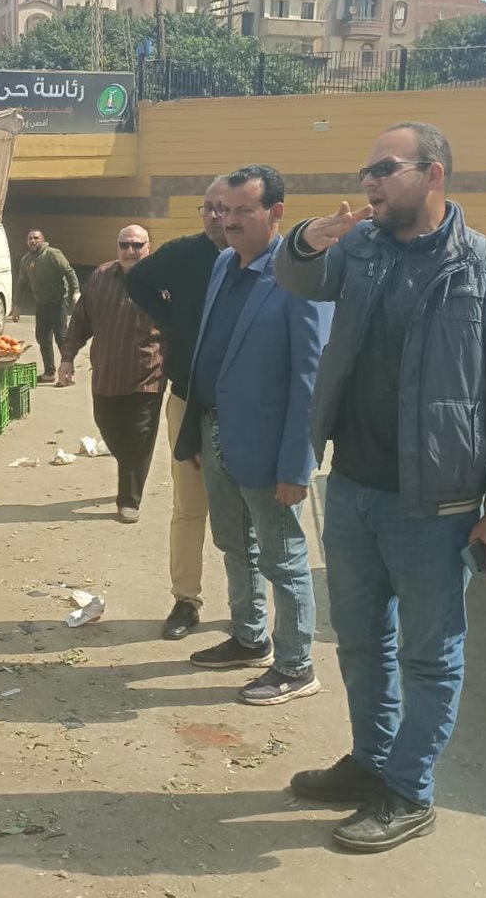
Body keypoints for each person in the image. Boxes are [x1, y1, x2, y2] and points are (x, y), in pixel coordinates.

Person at [274, 121, 486, 852]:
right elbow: (294, 278)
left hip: (439, 506)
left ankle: (409, 790)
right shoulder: (358, 251)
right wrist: (307, 240)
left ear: (433, 174)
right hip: (353, 490)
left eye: (384, 168)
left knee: (429, 655)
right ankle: (371, 761)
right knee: (361, 642)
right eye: (366, 170)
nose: (368, 181)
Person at [175, 165, 332, 706]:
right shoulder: (224, 263)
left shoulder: (301, 277)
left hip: (269, 447)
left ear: (276, 213)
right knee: (232, 543)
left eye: (244, 210)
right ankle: (249, 637)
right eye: (223, 210)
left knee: (282, 557)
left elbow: (310, 380)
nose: (229, 220)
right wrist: (200, 431)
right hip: (215, 429)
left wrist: (296, 465)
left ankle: (296, 666)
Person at [125, 177, 229, 640]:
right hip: (187, 399)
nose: (215, 216)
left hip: (245, 408)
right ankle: (186, 600)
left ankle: (249, 611)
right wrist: (174, 320)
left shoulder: (262, 260)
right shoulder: (184, 254)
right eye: (207, 207)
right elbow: (137, 280)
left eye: (223, 207)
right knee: (189, 507)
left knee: (248, 514)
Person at [58, 225, 165, 524]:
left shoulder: (163, 280)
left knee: (138, 439)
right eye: (124, 245)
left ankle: (129, 501)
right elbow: (81, 320)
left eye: (137, 245)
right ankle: (130, 468)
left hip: (147, 375)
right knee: (109, 428)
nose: (130, 251)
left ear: (148, 247)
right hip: (106, 374)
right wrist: (67, 358)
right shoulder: (100, 276)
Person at [12, 228, 79, 382]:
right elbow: (21, 283)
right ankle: (49, 373)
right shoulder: (26, 260)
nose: (33, 241)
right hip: (41, 303)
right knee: (42, 337)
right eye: (30, 238)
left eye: (36, 238)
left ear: (42, 240)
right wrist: (16, 305)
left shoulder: (52, 254)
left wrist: (76, 292)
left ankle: (67, 373)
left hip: (58, 301)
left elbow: (69, 272)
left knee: (61, 337)